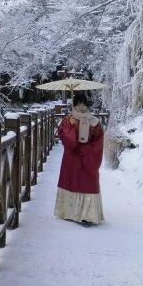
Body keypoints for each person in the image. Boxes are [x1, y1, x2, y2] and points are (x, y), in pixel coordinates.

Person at [54, 92, 105, 226]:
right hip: (72, 158)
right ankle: (69, 212)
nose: (81, 107)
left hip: (88, 158)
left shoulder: (94, 122)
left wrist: (87, 150)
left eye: (84, 104)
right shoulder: (67, 120)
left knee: (87, 183)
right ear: (74, 105)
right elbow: (66, 139)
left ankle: (87, 215)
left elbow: (99, 141)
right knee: (72, 182)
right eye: (78, 104)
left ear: (87, 105)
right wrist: (70, 126)